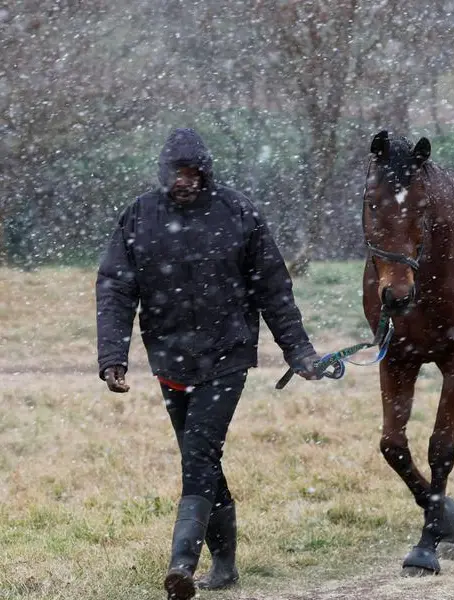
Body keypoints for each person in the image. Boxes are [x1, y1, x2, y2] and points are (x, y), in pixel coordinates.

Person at [96, 127, 320, 600]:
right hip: (168, 359)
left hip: (227, 355)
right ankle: (225, 563)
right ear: (164, 173)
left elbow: (273, 288)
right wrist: (113, 355)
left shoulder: (238, 212)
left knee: (199, 452)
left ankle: (182, 563)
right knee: (200, 456)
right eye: (177, 171)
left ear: (206, 172)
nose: (185, 180)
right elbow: (116, 288)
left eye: (193, 171)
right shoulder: (139, 216)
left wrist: (297, 350)